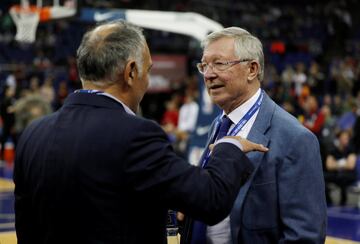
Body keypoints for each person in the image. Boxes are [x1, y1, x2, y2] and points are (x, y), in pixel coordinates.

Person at [13, 20, 268, 244]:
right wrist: (229, 146)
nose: (147, 80)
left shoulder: (34, 134)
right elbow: (211, 199)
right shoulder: (136, 134)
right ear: (131, 71)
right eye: (147, 71)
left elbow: (27, 227)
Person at [182, 27, 327, 244]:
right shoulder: (218, 125)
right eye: (204, 65)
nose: (209, 74)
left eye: (219, 63)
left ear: (252, 69)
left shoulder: (295, 139)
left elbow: (304, 237)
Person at [324, 130, 357, 205]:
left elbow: (351, 166)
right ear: (339, 139)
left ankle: (343, 201)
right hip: (336, 174)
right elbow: (329, 166)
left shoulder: (351, 150)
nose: (345, 140)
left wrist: (335, 164)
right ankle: (328, 200)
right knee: (323, 177)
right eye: (343, 138)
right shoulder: (333, 150)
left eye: (347, 138)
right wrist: (343, 164)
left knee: (343, 177)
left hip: (348, 175)